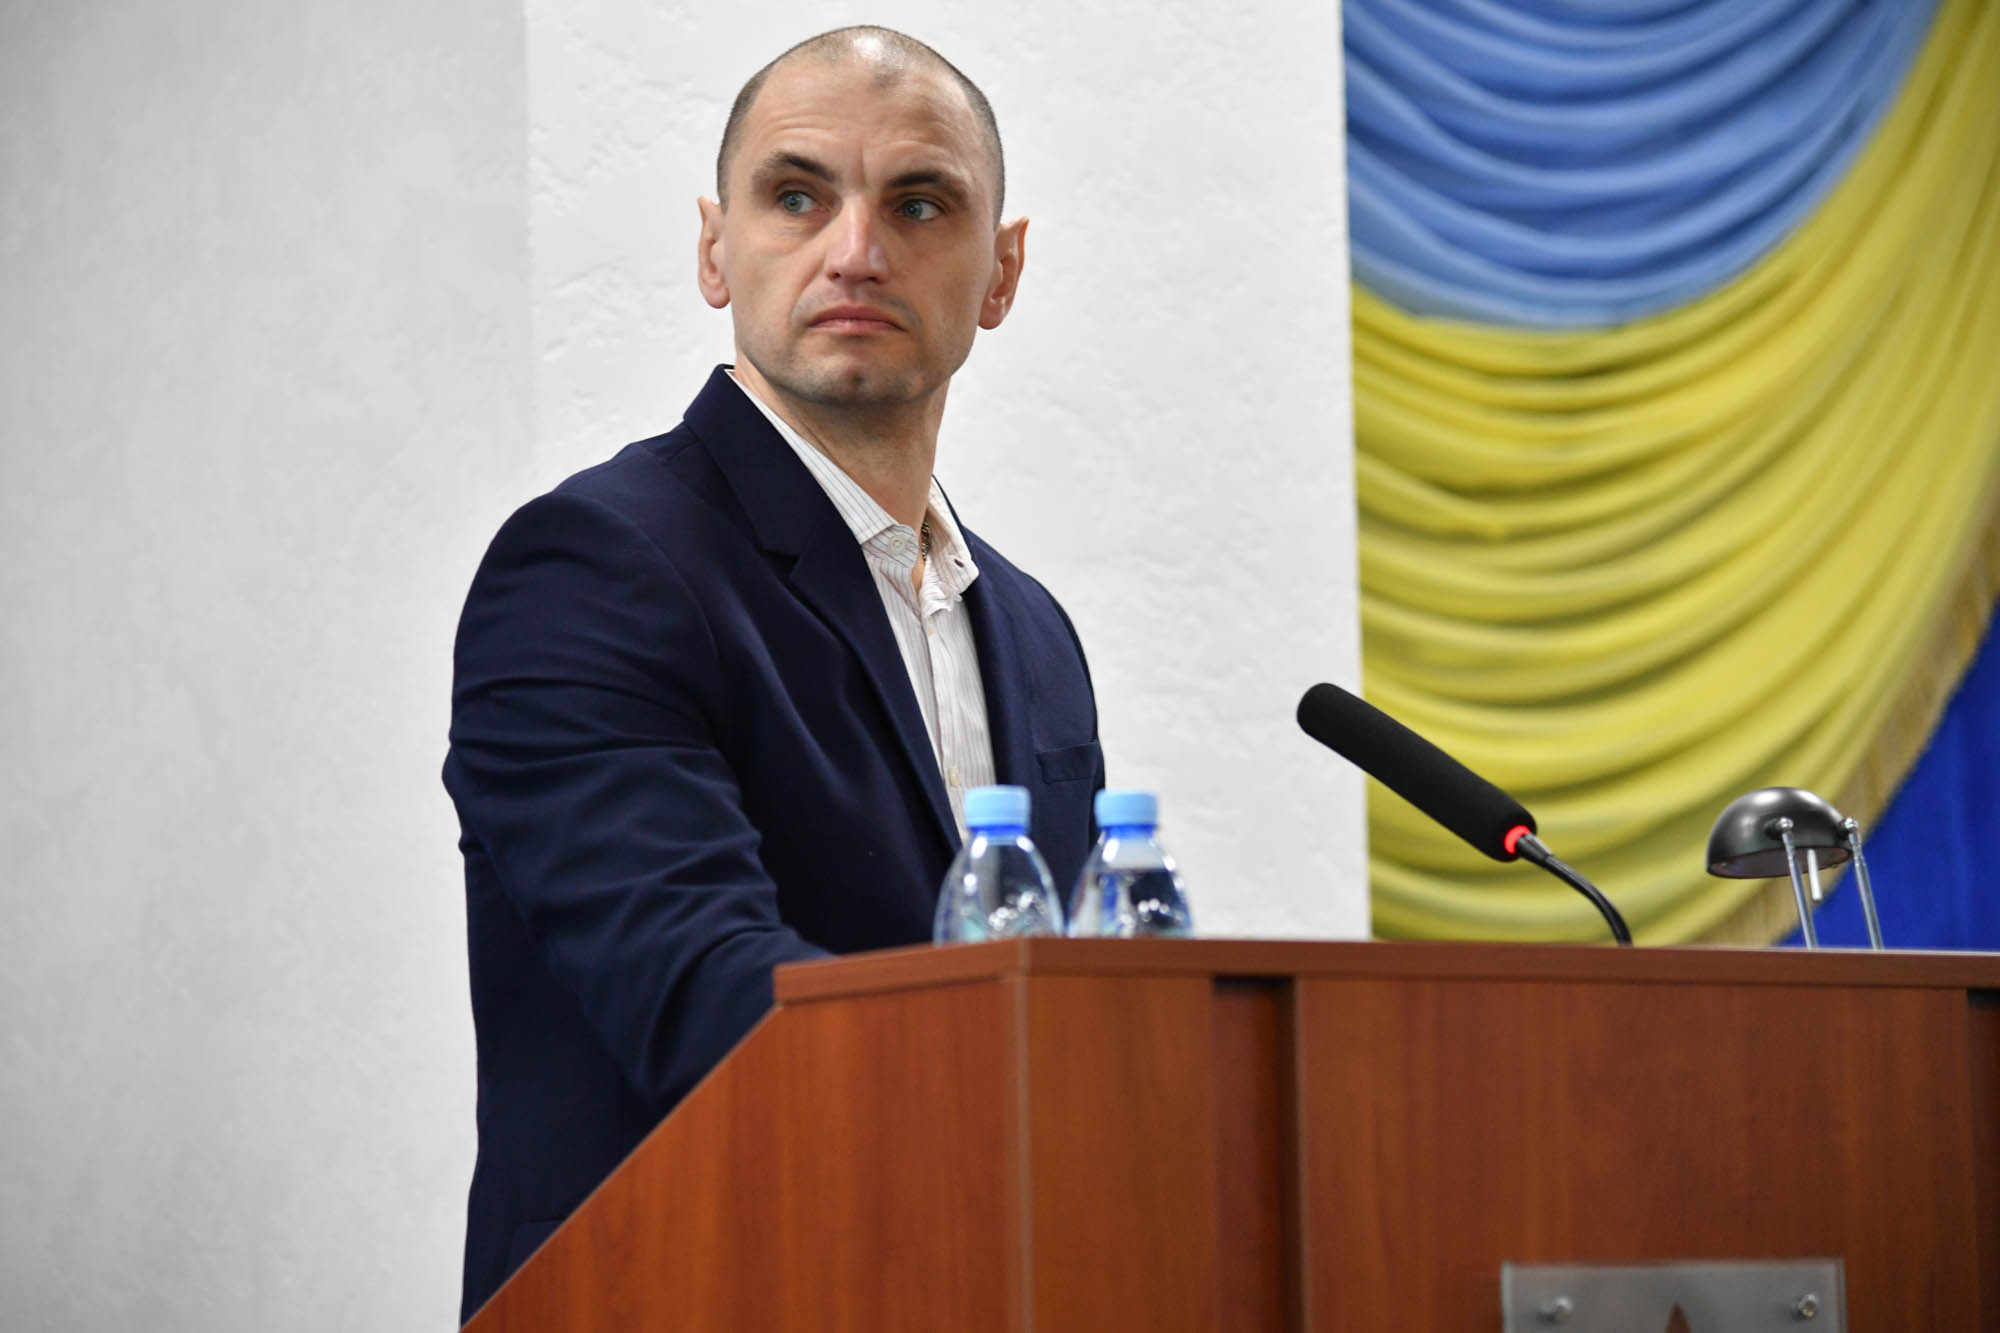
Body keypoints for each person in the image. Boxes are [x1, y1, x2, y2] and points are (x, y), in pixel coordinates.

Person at [442, 26, 1104, 1323]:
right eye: (797, 197)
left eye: (920, 204)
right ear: (714, 248)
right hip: (681, 1287)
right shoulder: (593, 567)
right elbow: (704, 990)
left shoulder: (1031, 630)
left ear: (1003, 271)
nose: (856, 250)